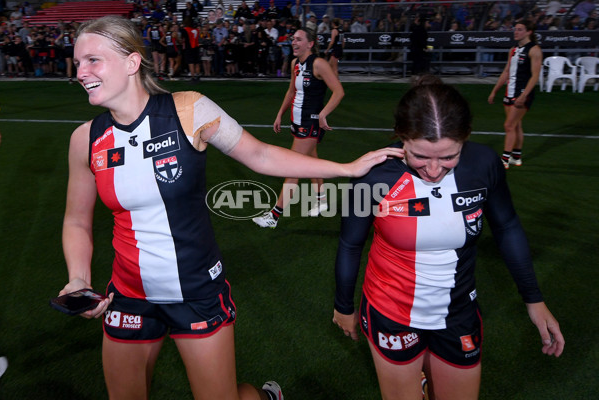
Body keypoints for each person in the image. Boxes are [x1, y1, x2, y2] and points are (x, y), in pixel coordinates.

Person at [59, 15, 401, 399]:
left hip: (198, 292)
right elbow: (76, 221)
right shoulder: (85, 138)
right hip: (128, 293)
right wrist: (78, 278)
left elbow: (260, 156)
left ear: (132, 63)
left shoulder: (188, 110)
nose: (80, 72)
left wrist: (346, 168)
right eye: (78, 62)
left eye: (92, 60)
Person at [332, 76, 565, 400]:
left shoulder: (483, 164)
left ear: (465, 138)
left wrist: (534, 300)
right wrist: (343, 306)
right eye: (420, 156)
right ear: (402, 137)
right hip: (390, 312)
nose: (433, 169)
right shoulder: (373, 175)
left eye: (447, 157)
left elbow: (507, 227)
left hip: (459, 313)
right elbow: (350, 243)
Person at [252, 28, 345, 228]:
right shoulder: (295, 64)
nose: (293, 42)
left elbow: (338, 91)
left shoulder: (319, 64)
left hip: (310, 124)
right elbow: (291, 91)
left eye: (298, 39)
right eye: (293, 39)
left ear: (310, 44)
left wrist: (323, 114)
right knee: (312, 160)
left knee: (292, 168)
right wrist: (280, 114)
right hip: (297, 121)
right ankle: (321, 201)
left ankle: (274, 216)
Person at [488, 20, 542, 169]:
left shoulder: (534, 50)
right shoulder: (513, 50)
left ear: (528, 32)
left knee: (509, 125)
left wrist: (524, 95)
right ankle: (516, 157)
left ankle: (504, 159)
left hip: (522, 93)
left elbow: (535, 76)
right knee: (516, 125)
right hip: (510, 91)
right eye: (515, 29)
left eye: (519, 29)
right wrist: (495, 90)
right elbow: (506, 72)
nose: (515, 32)